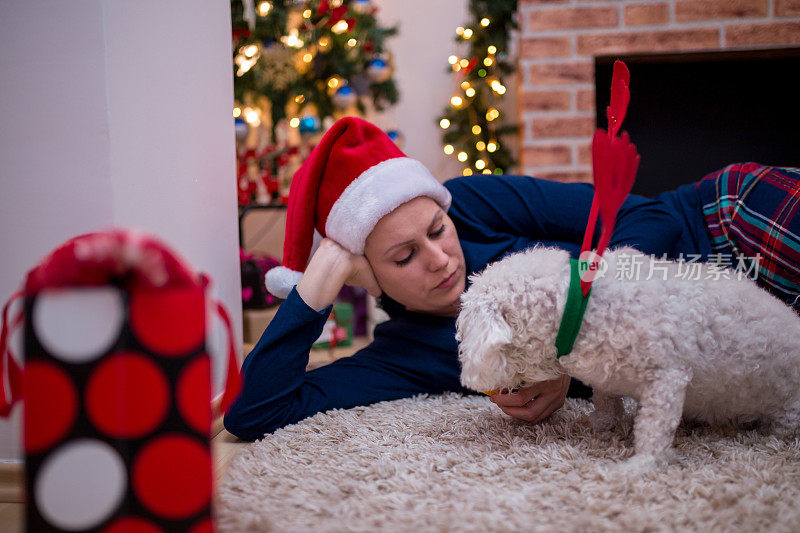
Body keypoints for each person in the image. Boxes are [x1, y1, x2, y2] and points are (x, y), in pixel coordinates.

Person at [224, 117, 800, 441]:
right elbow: (254, 415)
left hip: (723, 232)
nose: (441, 258)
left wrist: (565, 345)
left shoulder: (475, 202)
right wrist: (317, 286)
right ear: (369, 278)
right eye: (403, 258)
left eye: (436, 229)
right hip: (723, 360)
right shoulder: (402, 355)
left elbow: (652, 218)